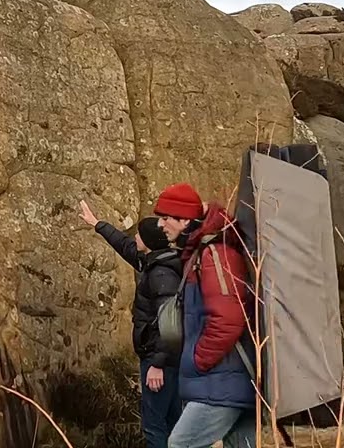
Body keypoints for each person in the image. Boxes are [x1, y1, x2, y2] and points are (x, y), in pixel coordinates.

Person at [152, 183, 258, 448]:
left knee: (180, 444)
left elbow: (227, 320)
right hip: (228, 380)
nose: (160, 225)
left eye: (165, 218)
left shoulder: (214, 255)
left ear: (185, 219)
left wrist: (197, 361)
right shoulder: (206, 252)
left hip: (220, 383)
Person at [77, 201, 183, 448]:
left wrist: (157, 364)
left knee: (155, 427)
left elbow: (171, 324)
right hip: (168, 361)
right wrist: (98, 224)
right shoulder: (154, 262)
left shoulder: (161, 275)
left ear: (148, 242)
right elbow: (126, 247)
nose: (135, 236)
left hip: (160, 363)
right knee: (174, 423)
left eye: (139, 234)